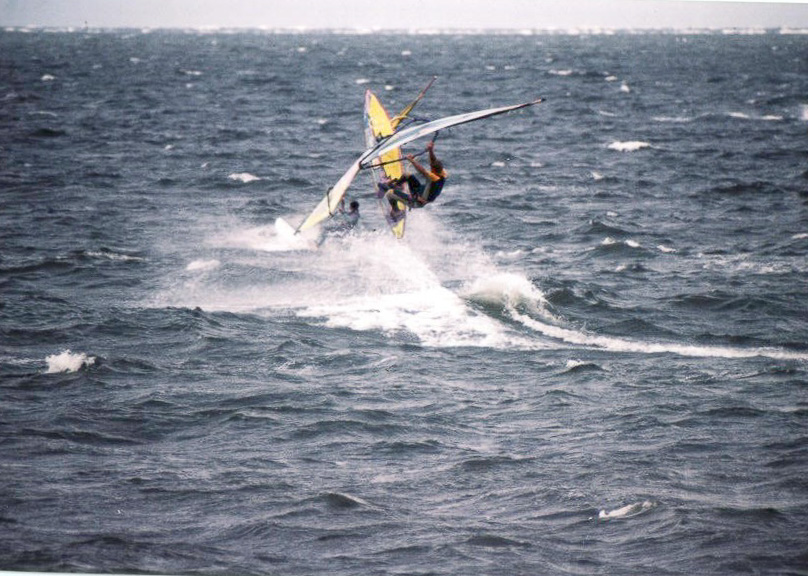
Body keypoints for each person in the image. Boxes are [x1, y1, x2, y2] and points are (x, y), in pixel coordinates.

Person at [378, 141, 448, 212]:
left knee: (389, 193)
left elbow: (422, 171)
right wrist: (430, 150)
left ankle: (395, 210)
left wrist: (411, 160)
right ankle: (396, 186)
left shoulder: (433, 178)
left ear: (433, 170)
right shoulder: (443, 173)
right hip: (418, 190)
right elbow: (433, 161)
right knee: (407, 175)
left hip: (416, 201)